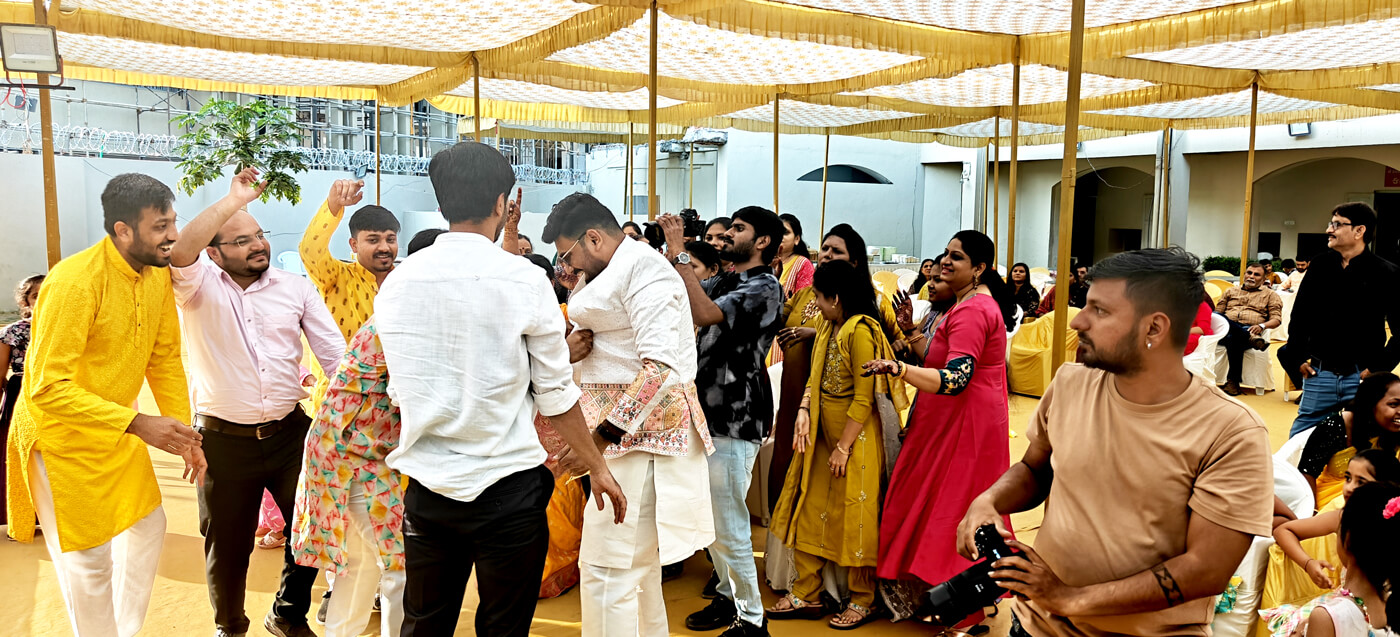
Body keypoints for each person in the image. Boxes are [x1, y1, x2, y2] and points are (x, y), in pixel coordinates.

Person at [374, 142, 626, 637]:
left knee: (424, 624)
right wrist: (597, 465)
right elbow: (555, 394)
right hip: (509, 488)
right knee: (504, 628)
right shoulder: (524, 280)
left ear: (442, 204)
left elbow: (401, 390)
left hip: (428, 487)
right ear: (499, 203)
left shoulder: (398, 285)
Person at [957, 247, 1274, 637]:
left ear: (1154, 329)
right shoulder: (1071, 383)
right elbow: (1036, 470)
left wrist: (1070, 598)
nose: (1079, 321)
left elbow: (1205, 569)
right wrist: (988, 501)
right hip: (1036, 624)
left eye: (1100, 311)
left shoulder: (1230, 431)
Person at [5, 172, 207, 636]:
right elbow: (46, 388)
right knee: (89, 562)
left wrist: (183, 434)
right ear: (123, 230)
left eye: (173, 222)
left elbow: (163, 358)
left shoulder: (156, 275)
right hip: (60, 438)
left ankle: (121, 631)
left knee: (148, 526)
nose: (173, 235)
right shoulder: (75, 282)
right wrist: (137, 423)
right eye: (161, 226)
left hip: (115, 430)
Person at [167, 167, 344, 637]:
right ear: (214, 252)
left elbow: (335, 357)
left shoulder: (294, 287)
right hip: (221, 442)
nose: (258, 245)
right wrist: (233, 200)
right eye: (241, 241)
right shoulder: (196, 286)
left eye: (259, 235)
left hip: (291, 434)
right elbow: (180, 252)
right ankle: (230, 626)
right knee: (227, 545)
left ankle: (287, 612)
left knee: (311, 527)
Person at [542, 192, 716, 636]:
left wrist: (598, 440)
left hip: (640, 439)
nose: (567, 267)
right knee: (631, 569)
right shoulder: (609, 270)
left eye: (567, 255)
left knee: (610, 569)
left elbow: (660, 368)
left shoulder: (645, 270)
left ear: (593, 238)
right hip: (619, 439)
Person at [289, 228, 444, 637]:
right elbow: (416, 392)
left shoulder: (404, 307)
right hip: (354, 454)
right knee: (398, 563)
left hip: (347, 449)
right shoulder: (409, 318)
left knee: (360, 564)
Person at [866, 230, 1015, 628]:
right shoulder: (965, 304)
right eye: (946, 253)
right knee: (935, 503)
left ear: (979, 268)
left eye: (957, 257)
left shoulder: (973, 310)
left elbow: (955, 378)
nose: (946, 261)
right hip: (957, 418)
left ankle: (963, 612)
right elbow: (937, 358)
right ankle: (946, 600)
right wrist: (911, 332)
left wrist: (899, 368)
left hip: (964, 424)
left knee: (953, 508)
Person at [660, 207, 784, 637]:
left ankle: (752, 620)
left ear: (762, 241)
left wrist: (679, 252)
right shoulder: (730, 279)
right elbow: (682, 291)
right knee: (711, 519)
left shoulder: (765, 286)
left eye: (738, 229)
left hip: (735, 416)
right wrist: (669, 255)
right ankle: (730, 598)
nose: (728, 234)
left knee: (729, 523)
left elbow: (704, 313)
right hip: (707, 414)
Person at [768, 260, 907, 630]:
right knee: (810, 506)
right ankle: (806, 591)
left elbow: (864, 396)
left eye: (819, 296)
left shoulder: (860, 331)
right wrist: (803, 409)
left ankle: (864, 599)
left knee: (855, 516)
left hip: (855, 438)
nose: (815, 303)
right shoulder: (829, 326)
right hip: (820, 433)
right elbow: (815, 377)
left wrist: (844, 447)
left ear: (836, 298)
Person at [1286, 203, 1400, 437]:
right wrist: (1296, 357)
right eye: (1331, 224)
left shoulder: (1387, 273)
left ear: (1359, 230)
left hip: (1362, 379)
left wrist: (1377, 369)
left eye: (1337, 224)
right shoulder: (1319, 266)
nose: (1329, 230)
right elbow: (1300, 315)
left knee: (1363, 440)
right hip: (1319, 373)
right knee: (1300, 439)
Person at [1263, 449, 1400, 614]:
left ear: (1385, 486)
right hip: (1350, 605)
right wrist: (1308, 563)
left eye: (1361, 482)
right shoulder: (1343, 517)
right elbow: (1284, 530)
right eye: (1348, 478)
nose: (1349, 488)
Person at [1260, 481, 1400, 636]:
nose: (1349, 487)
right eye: (1348, 478)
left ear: (1347, 539)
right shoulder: (1391, 604)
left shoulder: (1327, 617)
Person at [299, 179, 400, 343]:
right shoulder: (337, 277)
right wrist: (334, 205)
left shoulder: (405, 281)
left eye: (390, 239)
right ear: (354, 245)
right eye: (373, 240)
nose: (384, 247)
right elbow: (310, 249)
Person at [1295, 372, 1400, 508]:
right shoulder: (1339, 425)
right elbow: (1307, 472)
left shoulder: (1395, 431)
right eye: (1394, 404)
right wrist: (1310, 511)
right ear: (1371, 403)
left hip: (1380, 503)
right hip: (1329, 503)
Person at [0, 273, 43, 525]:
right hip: (21, 395)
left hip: (60, 394)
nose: (43, 299)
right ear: (26, 302)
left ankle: (55, 516)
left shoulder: (69, 328)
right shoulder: (13, 332)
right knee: (19, 454)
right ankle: (21, 517)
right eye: (36, 295)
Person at [1216, 261, 1283, 396]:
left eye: (1256, 275)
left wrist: (1262, 326)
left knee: (1234, 339)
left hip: (1251, 329)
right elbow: (1218, 314)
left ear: (1264, 279)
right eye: (1249, 273)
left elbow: (1277, 319)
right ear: (1244, 274)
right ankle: (1249, 338)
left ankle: (1233, 382)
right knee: (1220, 319)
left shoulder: (1271, 295)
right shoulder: (1230, 291)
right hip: (1227, 330)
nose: (1251, 276)